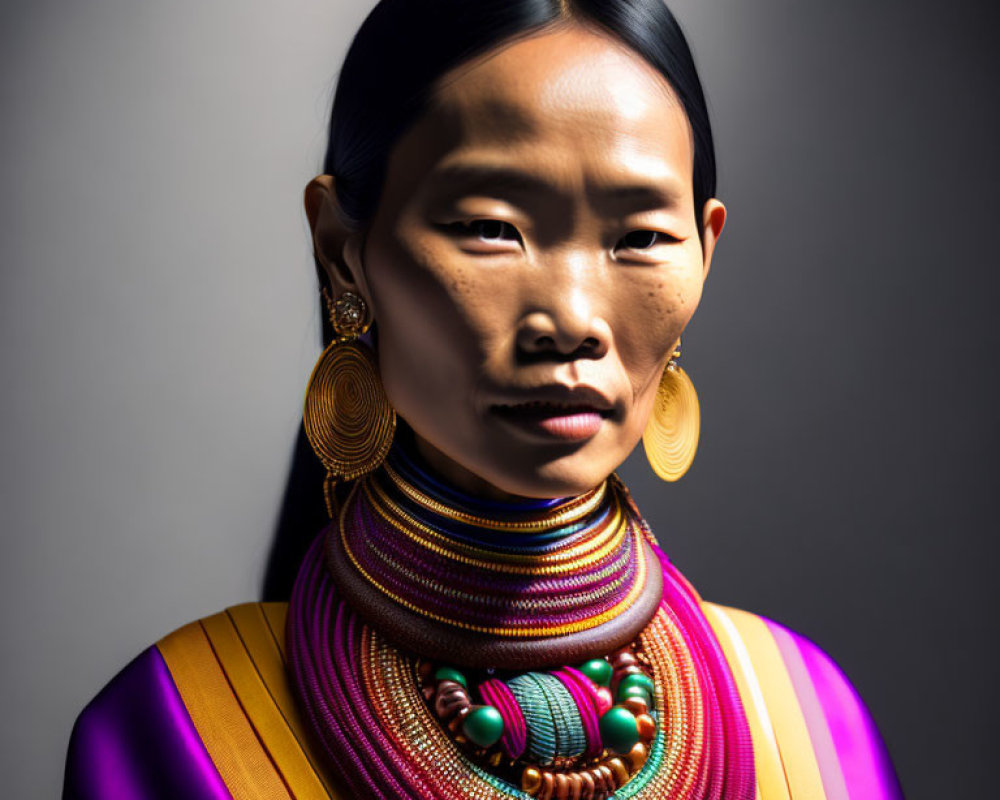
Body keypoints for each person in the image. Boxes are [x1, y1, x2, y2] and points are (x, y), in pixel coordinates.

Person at [63, 1, 904, 798]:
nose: (571, 320)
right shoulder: (177, 728)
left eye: (641, 238)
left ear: (706, 248)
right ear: (342, 249)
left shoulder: (808, 727)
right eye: (492, 227)